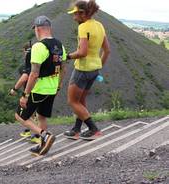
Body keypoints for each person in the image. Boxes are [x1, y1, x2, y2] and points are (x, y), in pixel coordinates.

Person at [15, 15, 67, 156]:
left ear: (38, 29)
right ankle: (43, 147)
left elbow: (33, 74)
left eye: (35, 30)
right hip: (52, 88)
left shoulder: (39, 46)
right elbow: (63, 69)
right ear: (49, 28)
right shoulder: (60, 45)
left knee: (20, 116)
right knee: (41, 116)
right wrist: (58, 87)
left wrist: (25, 95)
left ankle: (45, 135)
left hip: (38, 89)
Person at [64, 0, 111, 140]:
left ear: (83, 13)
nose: (74, 18)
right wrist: (98, 66)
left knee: (72, 101)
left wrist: (67, 56)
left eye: (75, 14)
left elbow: (82, 52)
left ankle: (93, 128)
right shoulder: (100, 26)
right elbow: (107, 51)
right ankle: (76, 129)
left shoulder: (83, 27)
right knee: (81, 100)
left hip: (82, 69)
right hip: (94, 69)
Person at [9, 42, 41, 144]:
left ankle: (39, 135)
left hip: (30, 90)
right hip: (40, 88)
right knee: (34, 113)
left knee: (21, 115)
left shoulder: (28, 62)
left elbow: (25, 77)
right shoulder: (39, 58)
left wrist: (14, 89)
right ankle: (31, 132)